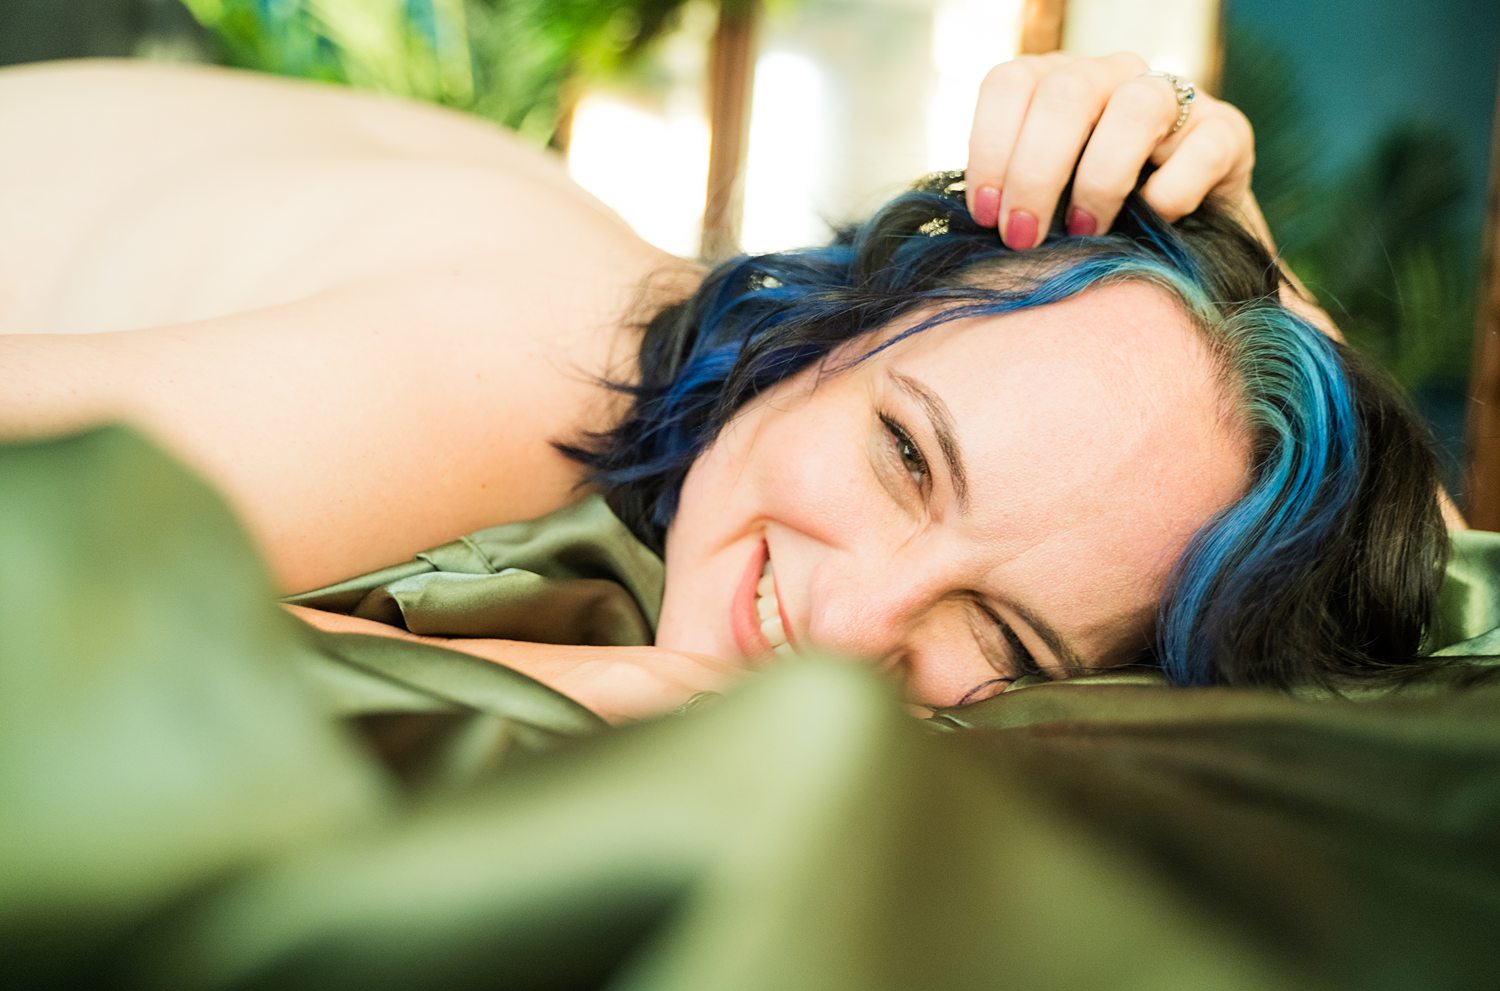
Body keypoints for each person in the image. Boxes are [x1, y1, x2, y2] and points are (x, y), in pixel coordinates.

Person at [0, 51, 1450, 720]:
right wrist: (614, 683)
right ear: (826, 331)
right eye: (905, 458)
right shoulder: (524, 370)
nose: (854, 621)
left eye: (1003, 630)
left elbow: (1439, 574)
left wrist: (1253, 268)